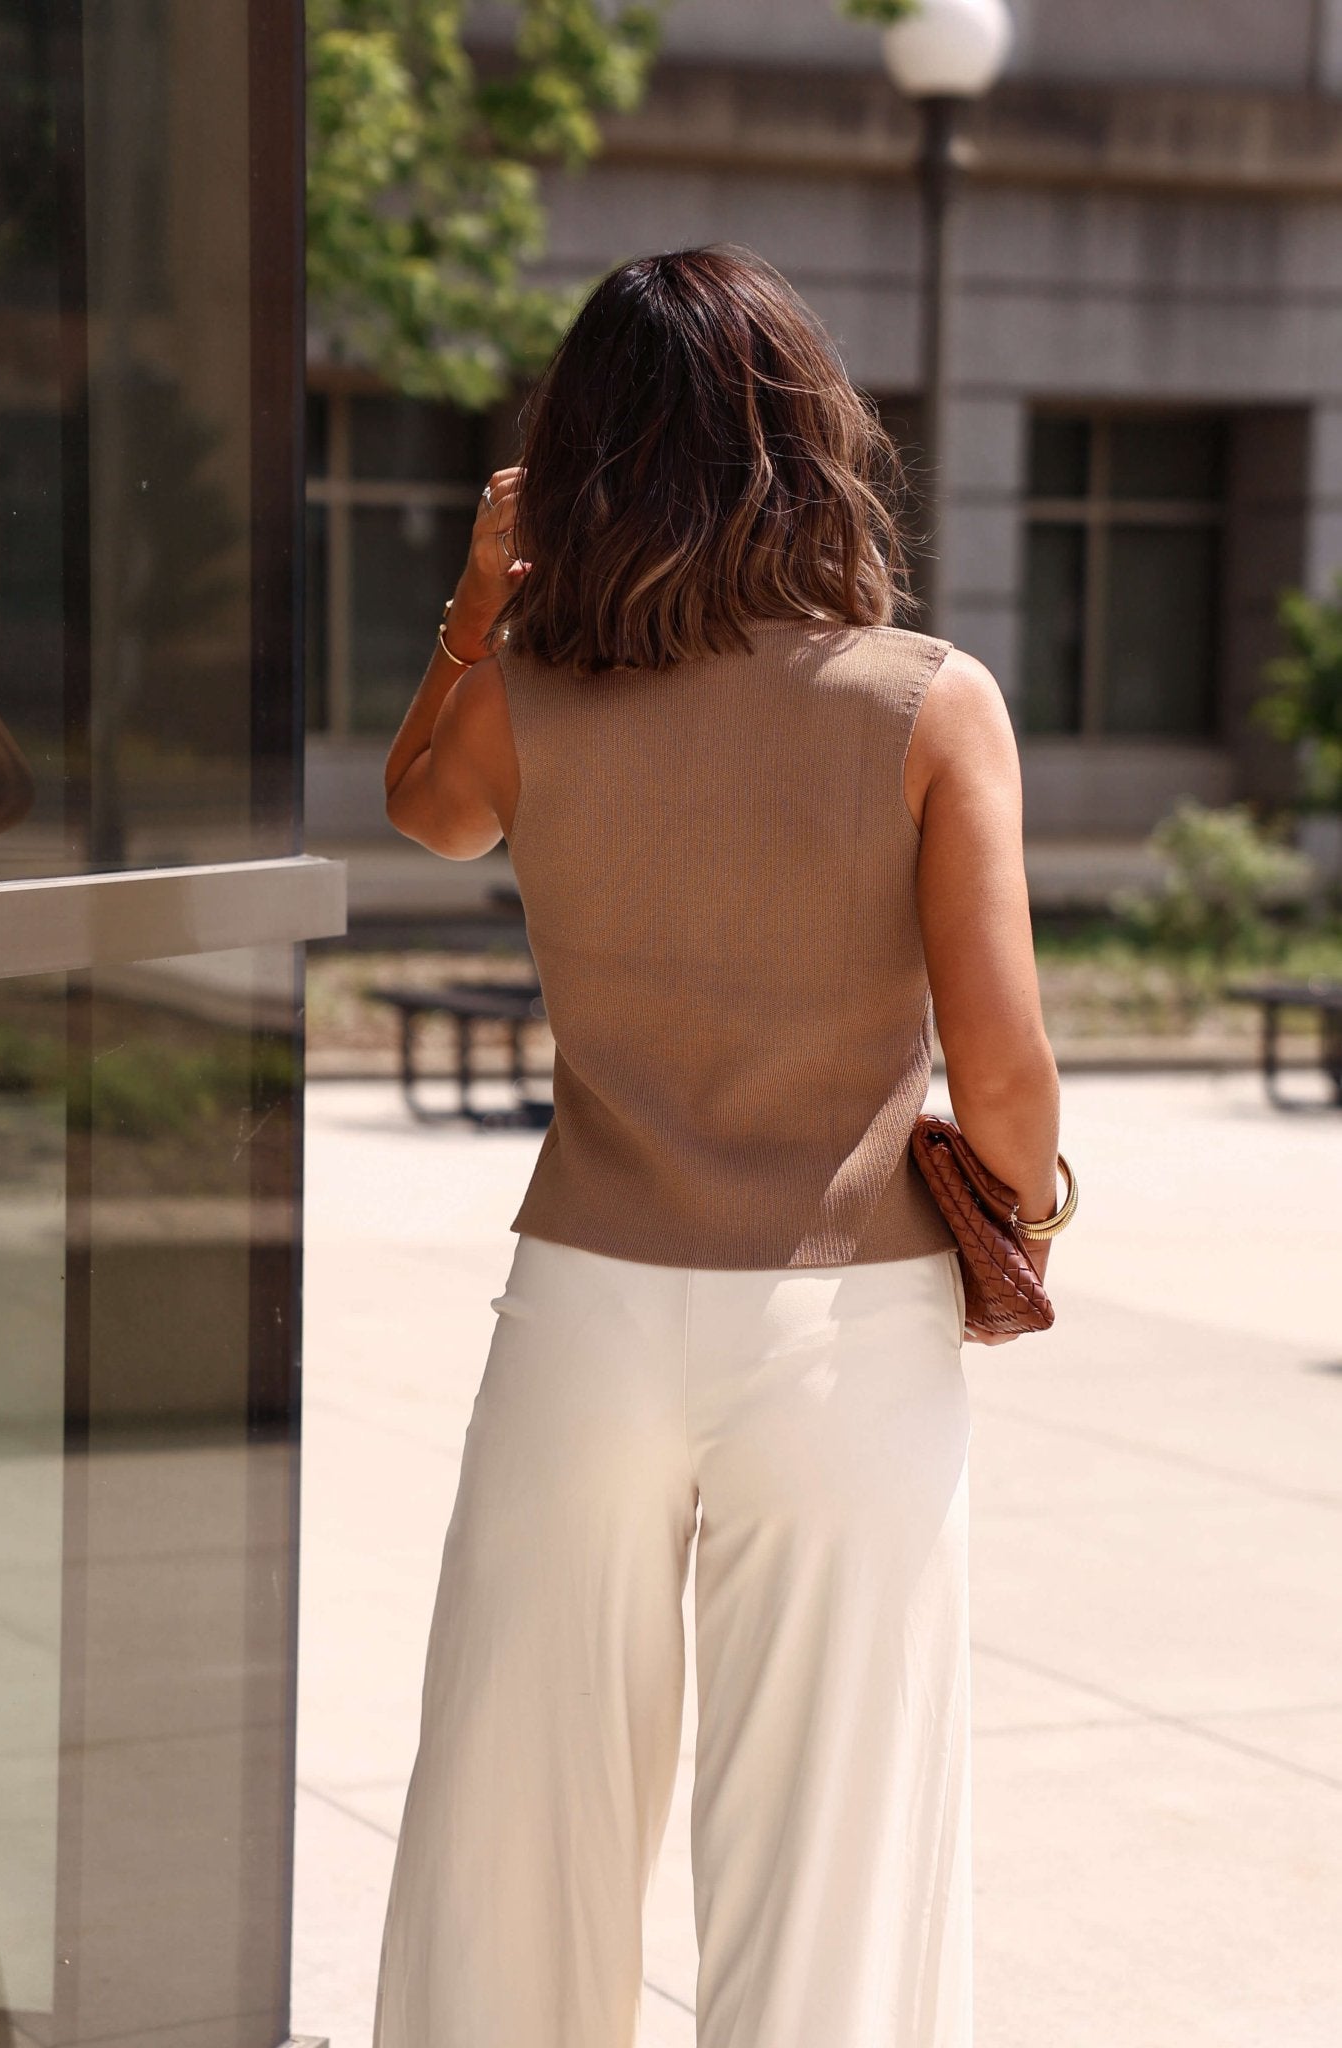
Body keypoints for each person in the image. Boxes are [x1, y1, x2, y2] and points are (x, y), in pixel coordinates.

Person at [374, 245, 1065, 2048]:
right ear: (811, 440)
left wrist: (477, 599)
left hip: (582, 1319)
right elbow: (1004, 1079)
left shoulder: (533, 691)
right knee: (831, 1849)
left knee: (513, 1816)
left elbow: (421, 809)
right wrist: (1024, 1218)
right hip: (842, 1333)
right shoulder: (924, 702)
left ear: (578, 454)